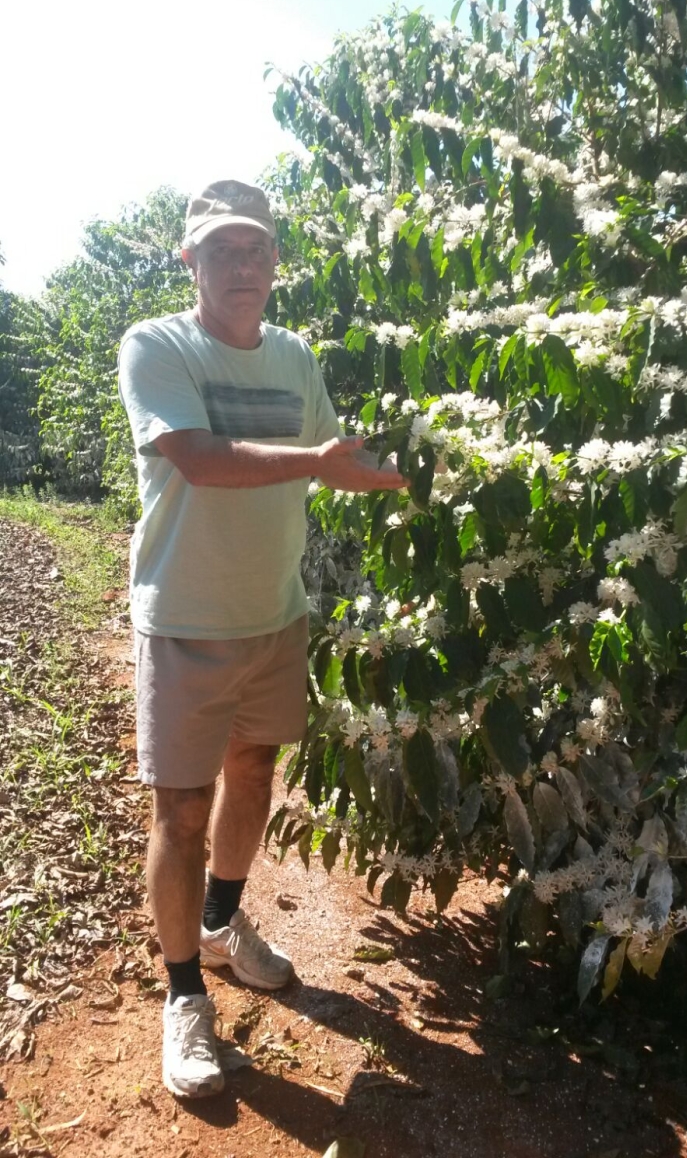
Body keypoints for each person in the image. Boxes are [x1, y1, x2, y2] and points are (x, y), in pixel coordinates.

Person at [117, 179, 405, 1100]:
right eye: (223, 250)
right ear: (190, 261)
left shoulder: (294, 358)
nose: (244, 266)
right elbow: (197, 459)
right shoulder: (158, 346)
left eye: (258, 250)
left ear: (275, 264)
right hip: (186, 623)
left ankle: (222, 921)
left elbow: (336, 461)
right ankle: (182, 995)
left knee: (253, 776)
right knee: (182, 810)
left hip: (275, 617)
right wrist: (317, 464)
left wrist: (419, 473)